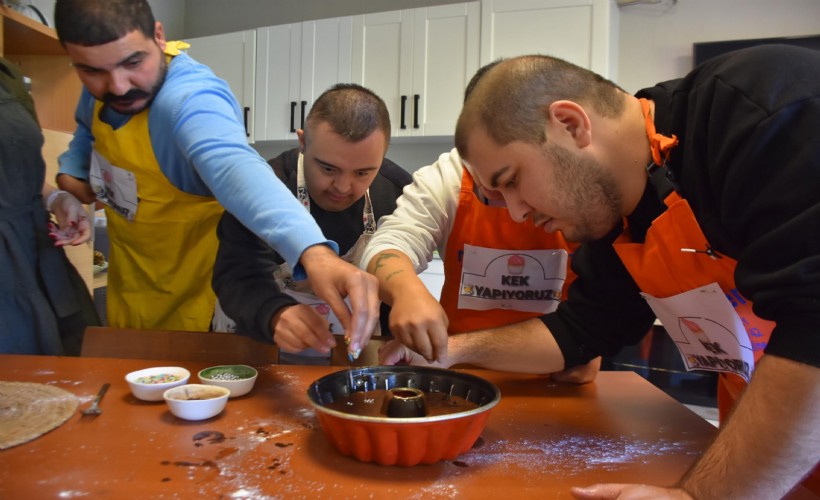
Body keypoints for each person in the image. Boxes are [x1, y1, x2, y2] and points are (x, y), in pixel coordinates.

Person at [448, 48, 819, 499]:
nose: (517, 212)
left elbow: (813, 325)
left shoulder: (757, 112)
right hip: (766, 465)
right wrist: (450, 352)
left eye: (512, 180)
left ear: (570, 124)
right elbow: (579, 332)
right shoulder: (615, 216)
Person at [51, 0, 379, 358]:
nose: (117, 86)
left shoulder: (189, 99)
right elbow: (87, 130)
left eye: (133, 63)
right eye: (93, 71)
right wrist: (71, 177)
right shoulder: (102, 85)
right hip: (133, 289)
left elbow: (234, 166)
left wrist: (313, 252)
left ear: (159, 37)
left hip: (200, 307)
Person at [212, 83, 411, 360]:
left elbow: (395, 287)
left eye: (363, 172)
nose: (343, 187)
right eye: (328, 168)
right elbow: (235, 276)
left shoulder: (398, 191)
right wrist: (275, 312)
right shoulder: (265, 186)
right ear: (303, 141)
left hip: (351, 351)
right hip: (258, 340)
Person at [0, 56, 100, 356]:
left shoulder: (9, 76)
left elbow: (18, 171)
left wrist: (57, 199)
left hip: (38, 254)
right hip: (6, 274)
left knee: (73, 375)